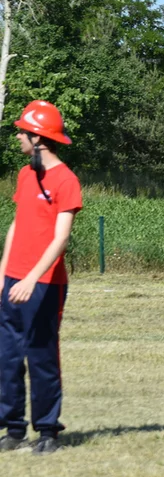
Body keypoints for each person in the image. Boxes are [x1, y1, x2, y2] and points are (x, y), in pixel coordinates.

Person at [0, 100, 82, 456]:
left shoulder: (66, 180)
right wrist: (3, 273)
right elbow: (17, 224)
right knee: (7, 356)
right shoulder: (24, 174)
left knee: (41, 357)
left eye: (22, 131)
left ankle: (48, 431)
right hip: (12, 280)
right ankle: (13, 429)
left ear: (39, 138)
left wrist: (33, 277)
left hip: (45, 284)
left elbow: (60, 238)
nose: (18, 136)